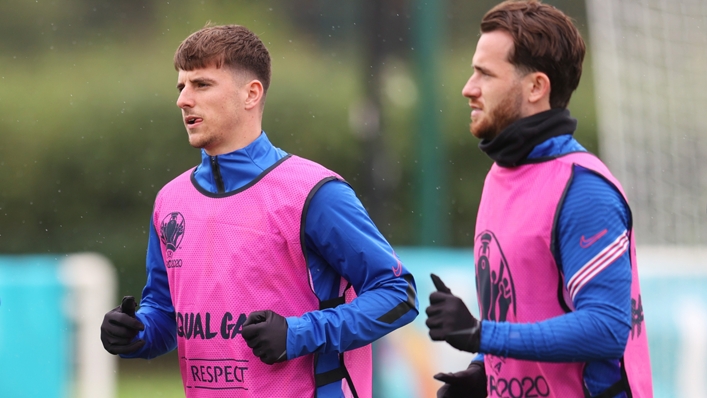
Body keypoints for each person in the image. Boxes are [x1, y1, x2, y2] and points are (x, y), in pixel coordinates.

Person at [100, 24, 418, 398]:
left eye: (201, 85)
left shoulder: (314, 192)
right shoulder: (171, 201)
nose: (183, 99)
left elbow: (398, 293)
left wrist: (298, 334)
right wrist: (136, 332)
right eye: (181, 86)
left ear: (251, 94)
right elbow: (166, 315)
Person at [424, 1, 653, 397]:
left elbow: (606, 327)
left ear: (535, 87)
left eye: (485, 74)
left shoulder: (583, 188)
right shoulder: (502, 175)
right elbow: (527, 310)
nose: (469, 87)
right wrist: (485, 372)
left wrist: (481, 334)